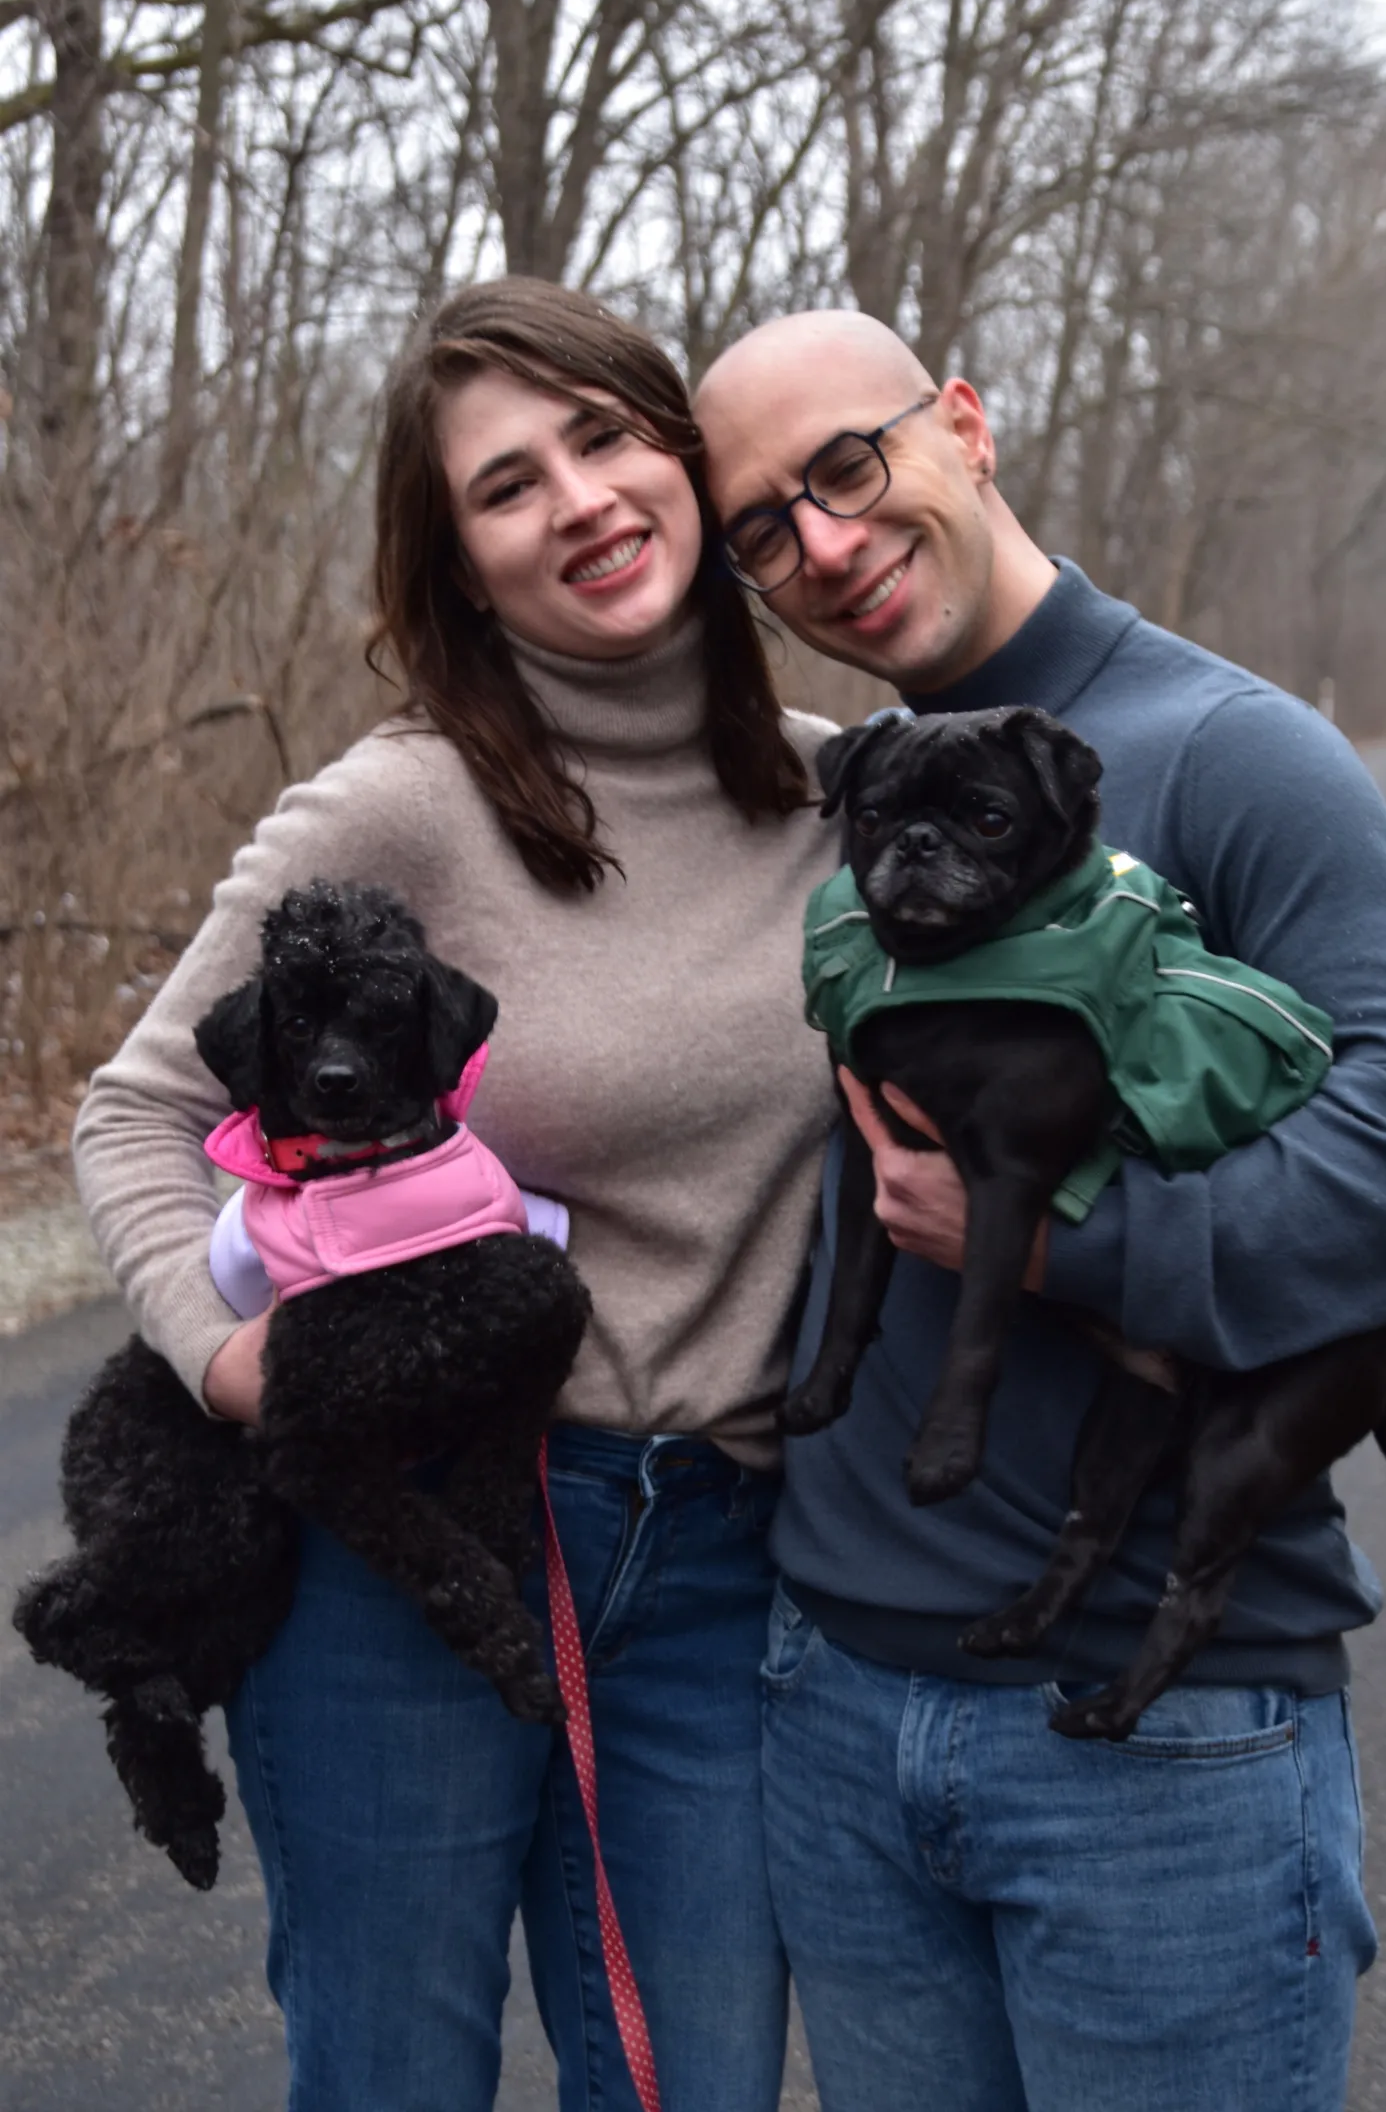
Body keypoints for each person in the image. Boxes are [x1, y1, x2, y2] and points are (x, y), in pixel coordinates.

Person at [694, 308, 1386, 2112]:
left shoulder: (1230, 749)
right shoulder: (857, 787)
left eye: (847, 466)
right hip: (831, 1702)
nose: (822, 541)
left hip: (1161, 1748)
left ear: (965, 424)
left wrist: (1073, 1243)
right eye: (762, 526)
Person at [71, 278, 841, 2112]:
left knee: (692, 2079)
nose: (578, 501)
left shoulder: (840, 797)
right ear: (462, 568)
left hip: (718, 1549)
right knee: (394, 2070)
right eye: (506, 487)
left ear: (682, 457)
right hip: (402, 1536)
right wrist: (227, 1361)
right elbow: (136, 1112)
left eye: (604, 438)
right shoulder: (400, 809)